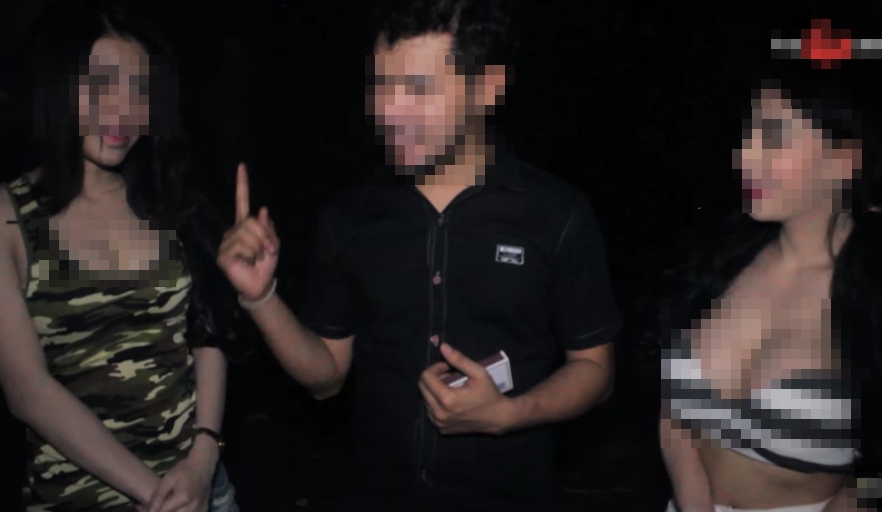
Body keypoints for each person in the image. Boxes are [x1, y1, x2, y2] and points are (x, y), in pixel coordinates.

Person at [216, 0, 622, 510]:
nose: (389, 111)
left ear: (488, 88)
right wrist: (261, 298)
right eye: (381, 85)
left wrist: (509, 415)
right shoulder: (351, 216)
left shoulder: (556, 213)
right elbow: (326, 378)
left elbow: (595, 370)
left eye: (419, 88)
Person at [0, 2, 245, 511]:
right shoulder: (10, 216)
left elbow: (207, 332)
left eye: (140, 90)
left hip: (201, 489)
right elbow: (27, 389)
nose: (124, 109)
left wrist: (203, 461)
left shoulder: (168, 201)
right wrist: (156, 496)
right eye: (102, 83)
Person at [659, 57, 882, 512]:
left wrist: (852, 504)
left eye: (774, 138)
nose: (743, 157)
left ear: (847, 159)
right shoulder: (720, 258)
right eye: (749, 134)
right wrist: (691, 498)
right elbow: (673, 409)